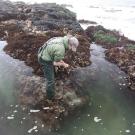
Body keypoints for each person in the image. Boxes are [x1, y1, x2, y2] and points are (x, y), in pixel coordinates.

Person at [38, 35, 79, 100]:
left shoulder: (63, 40)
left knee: (52, 71)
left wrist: (62, 62)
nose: (71, 49)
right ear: (70, 45)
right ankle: (50, 98)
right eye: (72, 48)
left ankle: (52, 75)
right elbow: (54, 63)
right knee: (50, 81)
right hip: (44, 59)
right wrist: (64, 65)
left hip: (43, 52)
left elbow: (56, 57)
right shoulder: (61, 49)